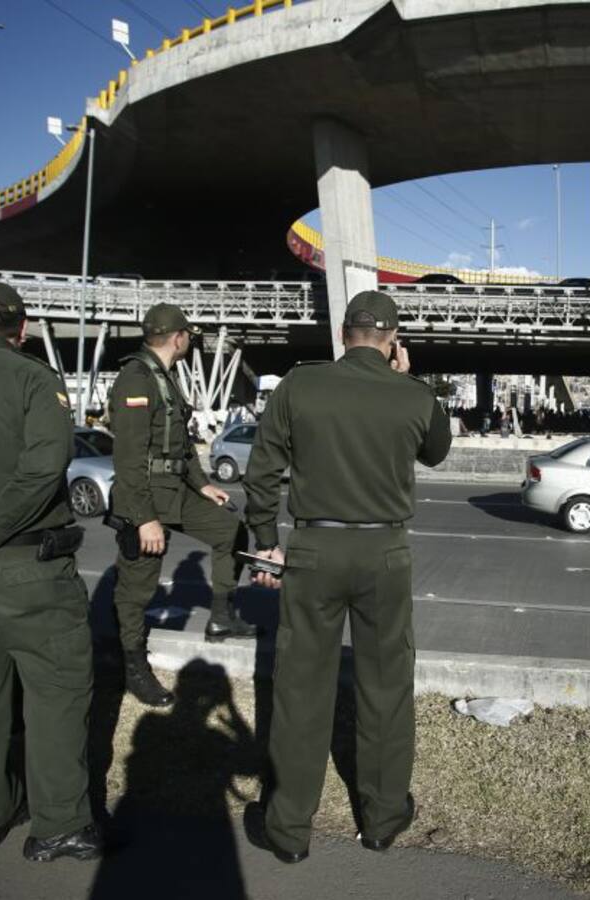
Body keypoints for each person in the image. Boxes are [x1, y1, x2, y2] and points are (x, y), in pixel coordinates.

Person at [242, 290, 451, 863]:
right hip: (384, 550)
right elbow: (438, 450)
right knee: (385, 687)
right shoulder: (412, 394)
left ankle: (288, 830)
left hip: (313, 546)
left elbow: (262, 472)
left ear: (343, 331)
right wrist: (410, 379)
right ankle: (381, 820)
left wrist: (265, 543)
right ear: (392, 340)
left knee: (301, 687)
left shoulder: (299, 384)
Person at [0, 281, 102, 862]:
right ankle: (58, 824)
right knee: (56, 695)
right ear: (23, 328)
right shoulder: (34, 379)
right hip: (28, 568)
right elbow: (41, 472)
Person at [108, 303, 257, 708]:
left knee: (230, 531)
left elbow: (181, 444)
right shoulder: (135, 379)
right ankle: (133, 667)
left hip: (175, 489)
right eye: (188, 335)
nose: (190, 340)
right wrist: (144, 519)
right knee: (137, 589)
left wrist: (203, 485)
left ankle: (222, 618)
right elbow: (129, 458)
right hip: (144, 497)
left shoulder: (164, 378)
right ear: (178, 337)